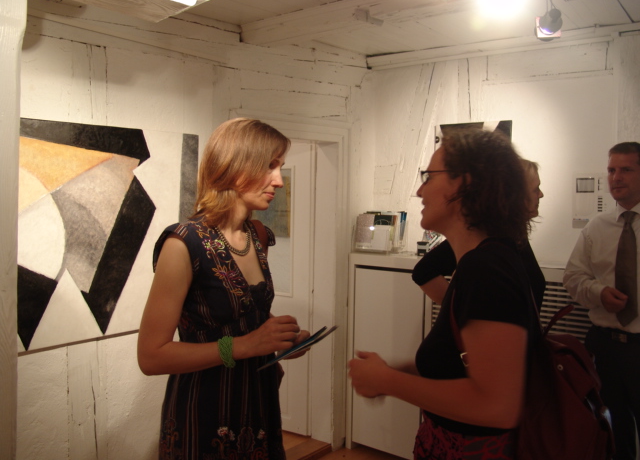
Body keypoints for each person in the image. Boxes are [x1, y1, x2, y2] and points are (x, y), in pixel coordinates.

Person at [348, 128, 538, 460]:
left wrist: (387, 382)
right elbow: (463, 369)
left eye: (429, 176)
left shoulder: (487, 268)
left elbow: (496, 406)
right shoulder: (480, 261)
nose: (420, 190)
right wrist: (393, 373)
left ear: (464, 183)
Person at [137, 118, 311, 460]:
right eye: (270, 166)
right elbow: (151, 356)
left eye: (280, 167)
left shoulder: (257, 235)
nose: (279, 180)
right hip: (204, 412)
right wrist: (245, 346)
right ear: (235, 166)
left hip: (259, 405)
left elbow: (246, 315)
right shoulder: (183, 244)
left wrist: (279, 340)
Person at [563, 141, 640, 460]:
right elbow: (572, 277)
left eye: (626, 170)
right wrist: (599, 293)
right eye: (611, 170)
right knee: (612, 429)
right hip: (606, 347)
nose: (616, 177)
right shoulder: (597, 227)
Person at [412, 159, 546, 310]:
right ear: (516, 196)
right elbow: (424, 271)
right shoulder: (487, 237)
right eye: (536, 189)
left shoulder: (512, 235)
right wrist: (460, 311)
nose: (541, 194)